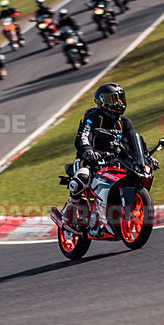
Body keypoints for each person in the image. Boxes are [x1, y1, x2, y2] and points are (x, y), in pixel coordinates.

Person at [61, 83, 145, 229]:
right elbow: (82, 136)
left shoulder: (125, 122)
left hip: (113, 159)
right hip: (88, 159)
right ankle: (70, 212)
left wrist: (145, 157)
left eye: (120, 99)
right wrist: (88, 151)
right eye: (113, 99)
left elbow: (133, 142)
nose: (118, 103)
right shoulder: (93, 117)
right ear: (102, 101)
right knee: (83, 177)